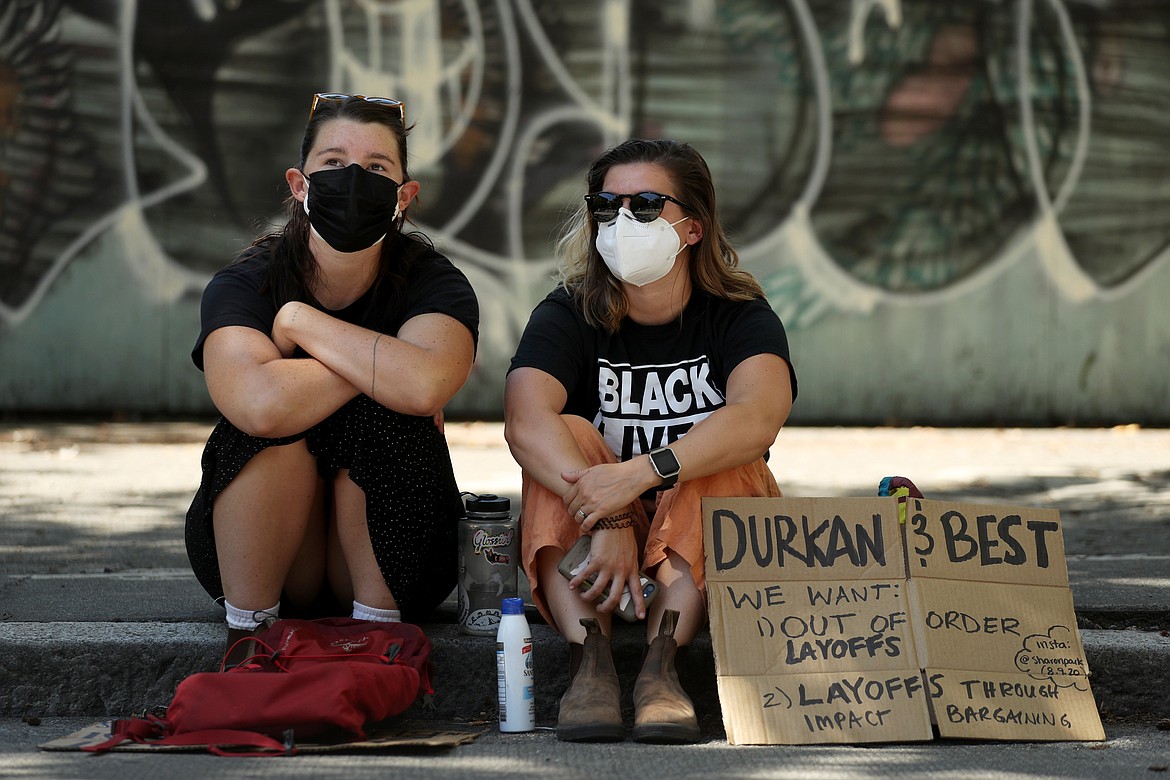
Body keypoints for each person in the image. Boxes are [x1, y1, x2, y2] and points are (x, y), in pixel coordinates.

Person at [504, 138, 797, 743]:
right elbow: (526, 420)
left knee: (722, 455)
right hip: (596, 532)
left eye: (644, 205)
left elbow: (757, 417)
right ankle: (592, 665)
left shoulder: (739, 314)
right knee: (565, 438)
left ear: (691, 227)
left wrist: (642, 474)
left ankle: (662, 671)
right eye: (606, 206)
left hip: (689, 528)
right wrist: (609, 521)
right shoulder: (568, 312)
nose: (620, 221)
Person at [185, 93, 479, 664]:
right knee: (266, 427)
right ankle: (249, 639)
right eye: (333, 164)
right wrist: (385, 368)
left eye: (375, 168)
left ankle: (375, 645)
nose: (352, 180)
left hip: (395, 551)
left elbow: (422, 388)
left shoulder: (432, 281)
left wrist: (299, 323)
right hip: (270, 553)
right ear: (299, 185)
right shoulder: (247, 281)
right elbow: (259, 404)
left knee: (388, 414)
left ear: (404, 195)